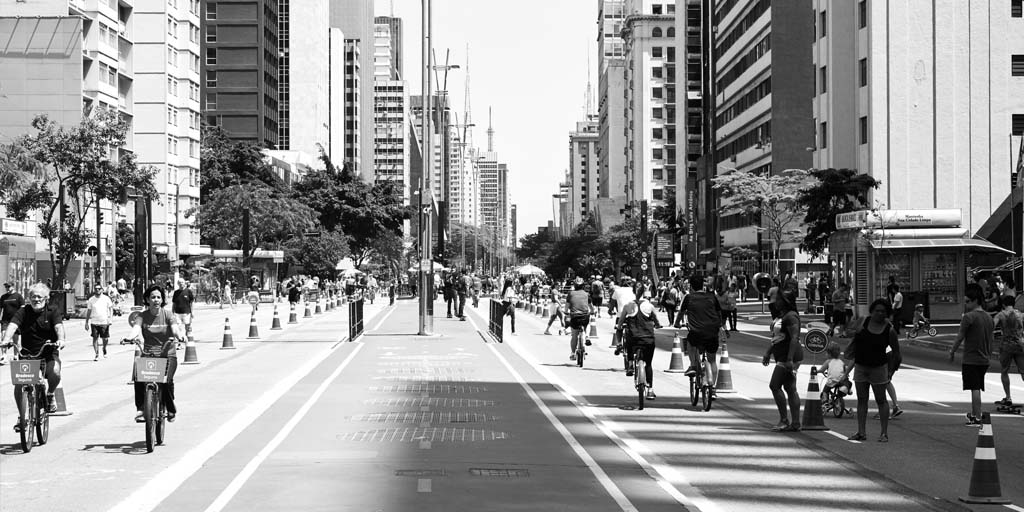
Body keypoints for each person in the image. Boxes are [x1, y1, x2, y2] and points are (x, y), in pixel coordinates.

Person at [1, 283, 66, 416]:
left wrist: (61, 339)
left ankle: (50, 394)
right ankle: (22, 417)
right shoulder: (23, 311)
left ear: (46, 298)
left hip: (48, 352)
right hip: (27, 354)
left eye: (39, 297)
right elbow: (13, 325)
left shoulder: (52, 311)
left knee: (55, 372)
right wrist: (5, 340)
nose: (36, 299)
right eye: (32, 297)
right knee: (19, 384)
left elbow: (59, 327)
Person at [843, 298, 900, 442]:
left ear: (887, 313)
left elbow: (897, 354)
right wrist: (854, 331)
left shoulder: (889, 330)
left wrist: (891, 371)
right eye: (877, 311)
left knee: (881, 400)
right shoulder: (863, 321)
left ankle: (884, 433)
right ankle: (861, 432)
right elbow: (849, 332)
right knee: (862, 400)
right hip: (861, 366)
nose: (879, 314)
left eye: (883, 311)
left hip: (879, 368)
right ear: (872, 311)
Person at [129, 285, 185, 423]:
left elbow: (175, 329)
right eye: (153, 297)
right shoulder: (142, 316)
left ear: (162, 300)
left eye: (158, 297)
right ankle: (141, 408)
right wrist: (130, 337)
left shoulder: (168, 315)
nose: (156, 300)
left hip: (168, 354)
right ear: (147, 299)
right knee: (138, 375)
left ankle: (170, 408)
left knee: (166, 381)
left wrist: (180, 336)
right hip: (148, 354)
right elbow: (136, 328)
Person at [950, 283, 994, 426]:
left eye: (968, 301)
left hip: (971, 358)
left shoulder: (969, 317)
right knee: (978, 386)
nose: (966, 304)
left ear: (975, 300)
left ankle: (977, 417)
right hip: (985, 358)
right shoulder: (989, 317)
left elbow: (960, 336)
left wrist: (952, 351)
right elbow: (991, 338)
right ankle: (975, 414)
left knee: (974, 387)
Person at [678, 275, 726, 395]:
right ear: (702, 286)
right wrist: (721, 326)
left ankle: (693, 365)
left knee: (690, 342)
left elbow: (681, 313)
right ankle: (712, 388)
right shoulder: (712, 297)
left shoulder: (689, 297)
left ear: (691, 287)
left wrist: (676, 323)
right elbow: (719, 313)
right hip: (712, 332)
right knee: (712, 359)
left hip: (697, 333)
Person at [762, 289, 802, 432]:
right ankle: (795, 422)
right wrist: (768, 352)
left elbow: (794, 338)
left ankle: (784, 420)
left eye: (778, 299)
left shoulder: (791, 317)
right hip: (781, 355)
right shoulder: (782, 315)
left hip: (788, 356)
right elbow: (777, 337)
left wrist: (790, 359)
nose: (775, 302)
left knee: (775, 385)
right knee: (790, 388)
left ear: (785, 301)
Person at [620, 292, 661, 400]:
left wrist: (619, 326)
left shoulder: (628, 306)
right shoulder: (650, 306)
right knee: (648, 364)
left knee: (628, 342)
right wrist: (657, 325)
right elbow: (657, 321)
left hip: (633, 339)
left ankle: (629, 364)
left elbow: (620, 321)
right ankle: (650, 389)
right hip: (648, 340)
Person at [993, 295, 1024, 408]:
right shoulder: (1021, 314)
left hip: (1006, 345)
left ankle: (1008, 397)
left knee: (1004, 371)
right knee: (1023, 371)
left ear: (1004, 304)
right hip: (1020, 345)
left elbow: (992, 325)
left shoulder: (1001, 314)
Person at [85, 285, 114, 361]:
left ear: (102, 290)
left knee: (105, 338)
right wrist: (86, 322)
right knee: (95, 338)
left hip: (104, 321)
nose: (97, 290)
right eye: (96, 289)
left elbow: (111, 308)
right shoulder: (91, 300)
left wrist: (110, 319)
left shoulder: (106, 298)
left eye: (99, 289)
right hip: (94, 322)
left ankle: (104, 348)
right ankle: (96, 354)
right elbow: (89, 311)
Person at [566, 282, 592, 360]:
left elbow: (566, 306)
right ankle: (587, 336)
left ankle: (573, 353)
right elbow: (591, 306)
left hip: (574, 317)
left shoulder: (570, 293)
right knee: (587, 323)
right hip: (584, 316)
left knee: (574, 336)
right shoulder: (587, 294)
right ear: (583, 286)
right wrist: (593, 311)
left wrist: (566, 312)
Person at [0, 282, 25, 365]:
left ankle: (15, 355)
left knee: (16, 339)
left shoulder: (18, 296)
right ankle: (3, 356)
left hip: (16, 321)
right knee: (4, 338)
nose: (7, 288)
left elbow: (22, 308)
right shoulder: (3, 297)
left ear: (13, 286)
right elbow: (0, 309)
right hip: (5, 321)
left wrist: (22, 318)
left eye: (8, 286)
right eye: (6, 287)